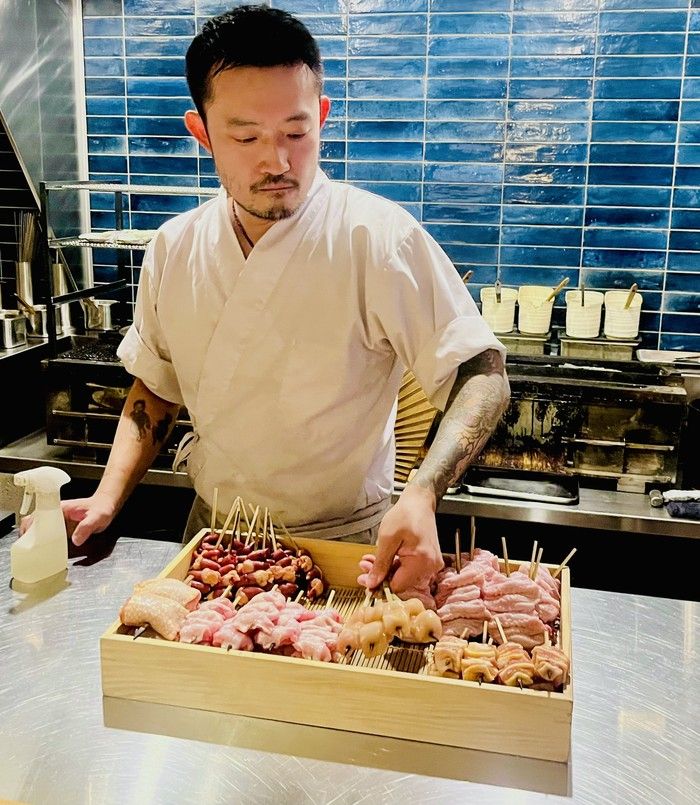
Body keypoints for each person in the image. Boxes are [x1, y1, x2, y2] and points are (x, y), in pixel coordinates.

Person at [34, 5, 510, 595]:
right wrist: (107, 498)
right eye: (245, 137)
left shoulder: (378, 238)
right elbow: (157, 386)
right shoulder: (175, 248)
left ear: (323, 116)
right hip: (213, 542)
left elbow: (481, 374)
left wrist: (423, 492)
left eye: (296, 132)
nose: (278, 161)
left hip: (351, 548)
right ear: (202, 132)